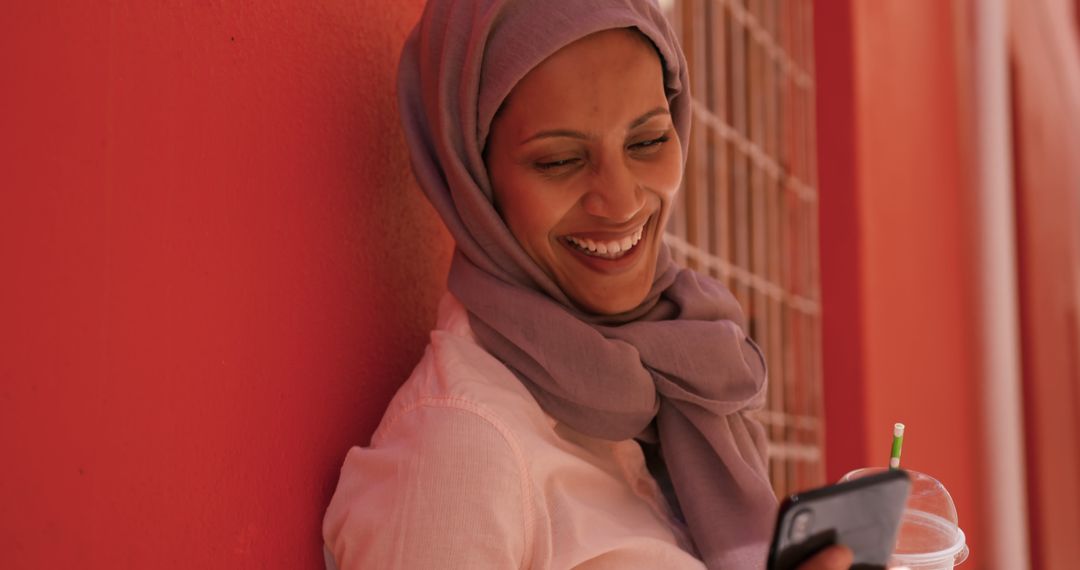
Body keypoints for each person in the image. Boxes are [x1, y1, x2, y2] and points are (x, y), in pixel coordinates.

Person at [323, 0, 852, 568]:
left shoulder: (677, 375)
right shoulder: (459, 449)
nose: (621, 202)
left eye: (647, 141)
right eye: (558, 161)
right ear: (471, 179)